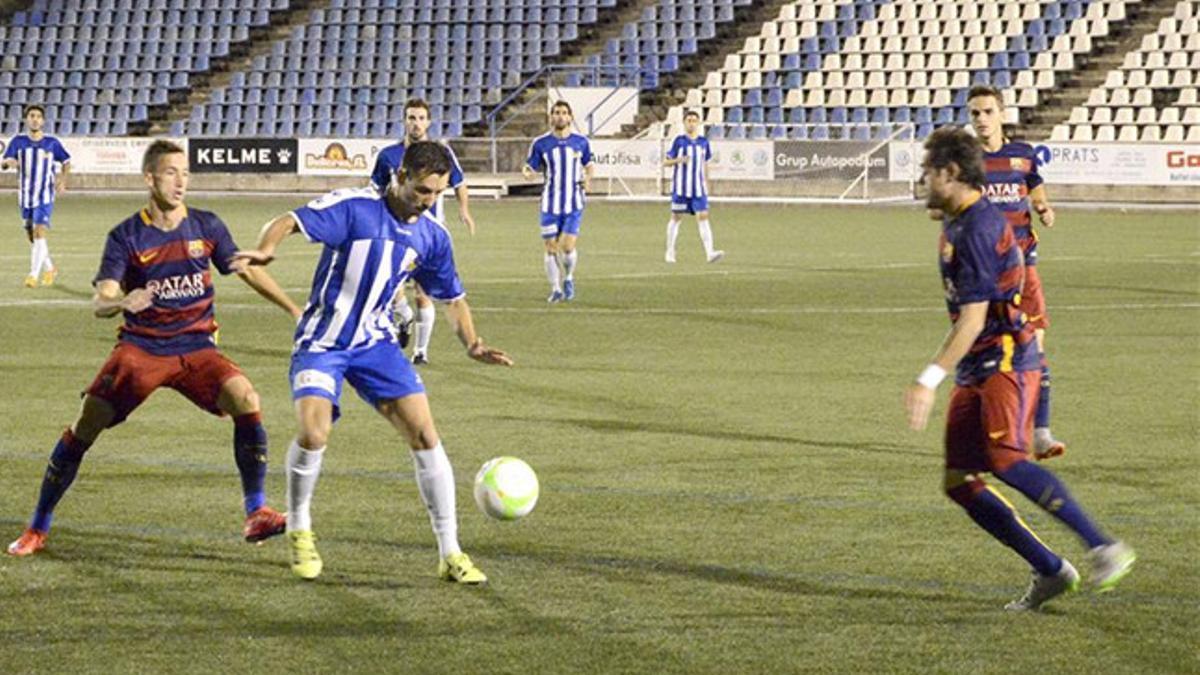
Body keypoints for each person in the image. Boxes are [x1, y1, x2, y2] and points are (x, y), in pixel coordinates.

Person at [234, 141, 512, 583]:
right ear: (399, 177)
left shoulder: (432, 235)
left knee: (425, 433)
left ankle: (451, 552)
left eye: (437, 193)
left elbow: (453, 298)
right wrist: (266, 249)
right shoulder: (355, 208)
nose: (429, 201)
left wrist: (472, 344)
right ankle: (300, 528)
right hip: (323, 341)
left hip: (376, 345)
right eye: (422, 191)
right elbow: (288, 220)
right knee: (313, 430)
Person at [6, 140, 298, 557]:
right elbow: (100, 301)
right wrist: (122, 301)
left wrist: (293, 309)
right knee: (86, 426)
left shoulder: (207, 225)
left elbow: (244, 270)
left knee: (245, 396)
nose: (181, 182)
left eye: (185, 174)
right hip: (142, 350)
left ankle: (256, 511)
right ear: (149, 178)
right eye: (170, 173)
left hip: (197, 347)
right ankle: (38, 526)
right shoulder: (126, 236)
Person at [903, 126, 1135, 611]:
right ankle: (1051, 570)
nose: (922, 178)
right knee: (960, 481)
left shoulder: (980, 229)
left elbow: (972, 320)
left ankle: (1102, 546)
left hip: (1005, 357)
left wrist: (927, 380)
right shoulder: (959, 217)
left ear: (949, 173)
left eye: (928, 171)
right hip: (976, 366)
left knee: (1007, 459)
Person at [966, 86, 1064, 458]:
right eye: (975, 113)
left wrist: (1043, 209)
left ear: (1001, 113)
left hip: (1025, 267)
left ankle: (1040, 432)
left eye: (987, 111)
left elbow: (1034, 187)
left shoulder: (1022, 156)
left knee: (1035, 347)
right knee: (984, 351)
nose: (981, 119)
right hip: (985, 271)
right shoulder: (968, 161)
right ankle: (983, 431)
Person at [370, 98, 476, 365]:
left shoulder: (442, 155)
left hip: (425, 236)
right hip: (392, 231)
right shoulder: (388, 156)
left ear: (428, 122)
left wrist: (464, 210)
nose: (416, 123)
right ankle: (402, 315)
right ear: (404, 121)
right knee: (391, 288)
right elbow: (375, 190)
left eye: (420, 118)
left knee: (423, 293)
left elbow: (459, 183)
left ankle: (420, 351)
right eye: (411, 118)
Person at [522, 100, 593, 303]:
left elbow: (589, 165)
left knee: (568, 247)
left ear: (570, 117)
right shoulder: (541, 143)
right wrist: (527, 172)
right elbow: (530, 166)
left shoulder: (581, 142)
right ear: (551, 117)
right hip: (550, 204)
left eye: (564, 113)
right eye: (556, 112)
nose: (560, 116)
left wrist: (588, 180)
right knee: (551, 247)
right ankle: (555, 289)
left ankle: (569, 277)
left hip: (574, 203)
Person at [2, 104, 71, 288]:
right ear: (26, 119)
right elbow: (8, 160)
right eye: (31, 115)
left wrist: (63, 180)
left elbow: (66, 161)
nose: (35, 119)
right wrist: (8, 163)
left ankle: (33, 274)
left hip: (45, 195)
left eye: (38, 116)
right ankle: (50, 268)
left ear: (43, 121)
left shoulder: (52, 143)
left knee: (39, 230)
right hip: (25, 196)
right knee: (31, 235)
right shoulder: (18, 141)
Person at [661, 110, 723, 264]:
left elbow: (705, 163)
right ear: (684, 123)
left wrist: (707, 183)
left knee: (703, 217)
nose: (691, 123)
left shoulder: (703, 142)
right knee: (676, 217)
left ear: (698, 123)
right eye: (689, 120)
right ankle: (670, 251)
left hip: (698, 188)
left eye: (694, 120)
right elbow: (665, 162)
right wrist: (679, 160)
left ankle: (709, 252)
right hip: (681, 187)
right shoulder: (679, 141)